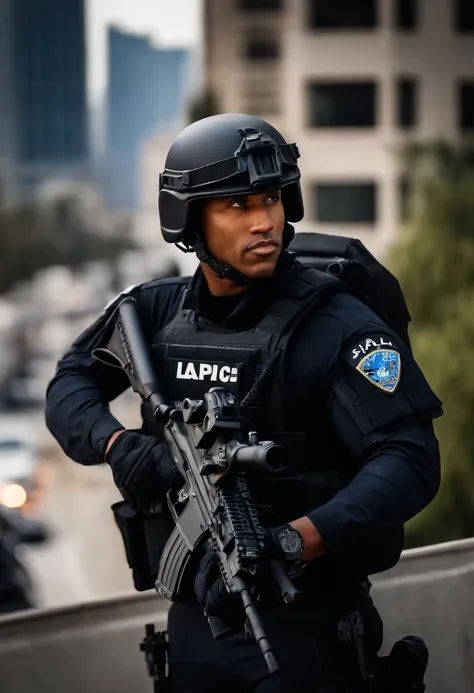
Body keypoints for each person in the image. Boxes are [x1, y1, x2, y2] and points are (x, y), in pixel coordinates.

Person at [45, 113, 442, 692]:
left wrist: (297, 538)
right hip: (192, 625)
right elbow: (68, 385)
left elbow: (410, 458)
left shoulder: (337, 325)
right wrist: (118, 445)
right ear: (189, 219)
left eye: (272, 199)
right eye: (237, 206)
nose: (265, 222)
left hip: (306, 626)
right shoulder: (154, 312)